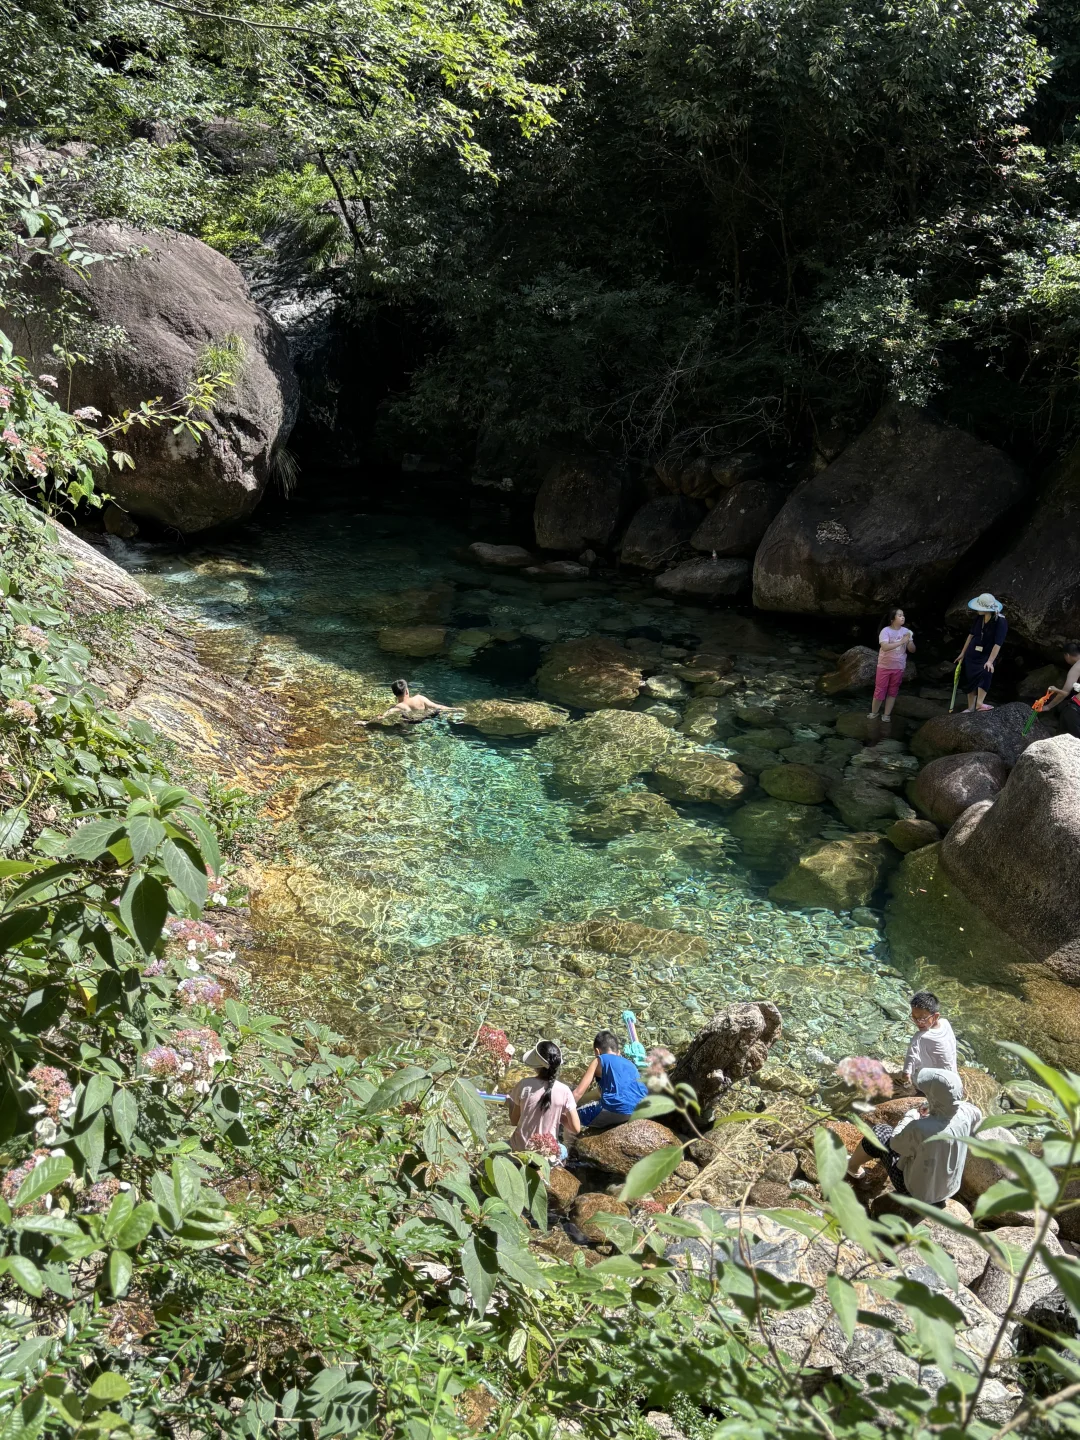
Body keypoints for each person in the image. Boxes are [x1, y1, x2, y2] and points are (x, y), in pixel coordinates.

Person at [846, 1068, 982, 1206]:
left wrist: (911, 1116)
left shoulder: (920, 1128)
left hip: (915, 1192)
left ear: (934, 1097)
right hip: (949, 1189)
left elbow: (895, 1143)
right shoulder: (968, 1112)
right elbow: (972, 1113)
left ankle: (852, 1167)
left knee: (879, 1132)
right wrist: (932, 1107)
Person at [507, 1040, 581, 1158]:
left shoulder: (524, 1085)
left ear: (536, 1066)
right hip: (547, 1154)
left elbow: (514, 1121)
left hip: (520, 1150)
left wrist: (510, 1103)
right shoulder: (565, 1091)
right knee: (563, 1151)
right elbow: (576, 1128)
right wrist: (559, 1117)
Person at [573, 1029, 648, 1130]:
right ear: (618, 1053)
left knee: (571, 1117)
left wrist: (563, 1109)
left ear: (597, 1051)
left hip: (618, 1110)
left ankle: (566, 1140)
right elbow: (600, 1092)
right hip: (641, 1109)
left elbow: (578, 1092)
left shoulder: (599, 1060)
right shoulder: (630, 1064)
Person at [954, 594, 1007, 713]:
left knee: (986, 672)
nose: (977, 609)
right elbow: (971, 635)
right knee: (970, 677)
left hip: (987, 654)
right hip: (972, 653)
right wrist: (962, 653)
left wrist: (990, 661)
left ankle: (979, 704)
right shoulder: (979, 617)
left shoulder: (1001, 621)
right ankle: (970, 707)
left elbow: (998, 644)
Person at [901, 990, 957, 1089]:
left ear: (935, 1016)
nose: (918, 1022)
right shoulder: (945, 1023)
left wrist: (907, 1078)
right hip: (954, 1081)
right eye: (914, 1017)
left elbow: (907, 1069)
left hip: (936, 1088)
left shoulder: (920, 1037)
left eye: (922, 1018)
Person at [868, 606, 915, 723]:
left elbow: (912, 650)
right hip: (884, 666)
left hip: (899, 667)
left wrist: (909, 642)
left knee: (893, 690)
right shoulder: (885, 631)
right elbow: (885, 647)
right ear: (892, 619)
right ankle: (874, 713)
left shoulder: (907, 632)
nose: (903, 617)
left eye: (903, 615)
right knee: (880, 690)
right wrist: (902, 641)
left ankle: (886, 714)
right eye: (899, 615)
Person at [366, 679, 458, 725]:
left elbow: (382, 717)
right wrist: (455, 709)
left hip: (412, 722)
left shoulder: (398, 707)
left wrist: (366, 723)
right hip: (428, 718)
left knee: (401, 724)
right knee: (436, 711)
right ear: (407, 691)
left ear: (394, 694)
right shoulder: (420, 698)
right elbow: (438, 706)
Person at [1038, 641, 1080, 739]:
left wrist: (1048, 706)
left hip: (1074, 710)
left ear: (1067, 655)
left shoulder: (1076, 668)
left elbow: (1064, 693)